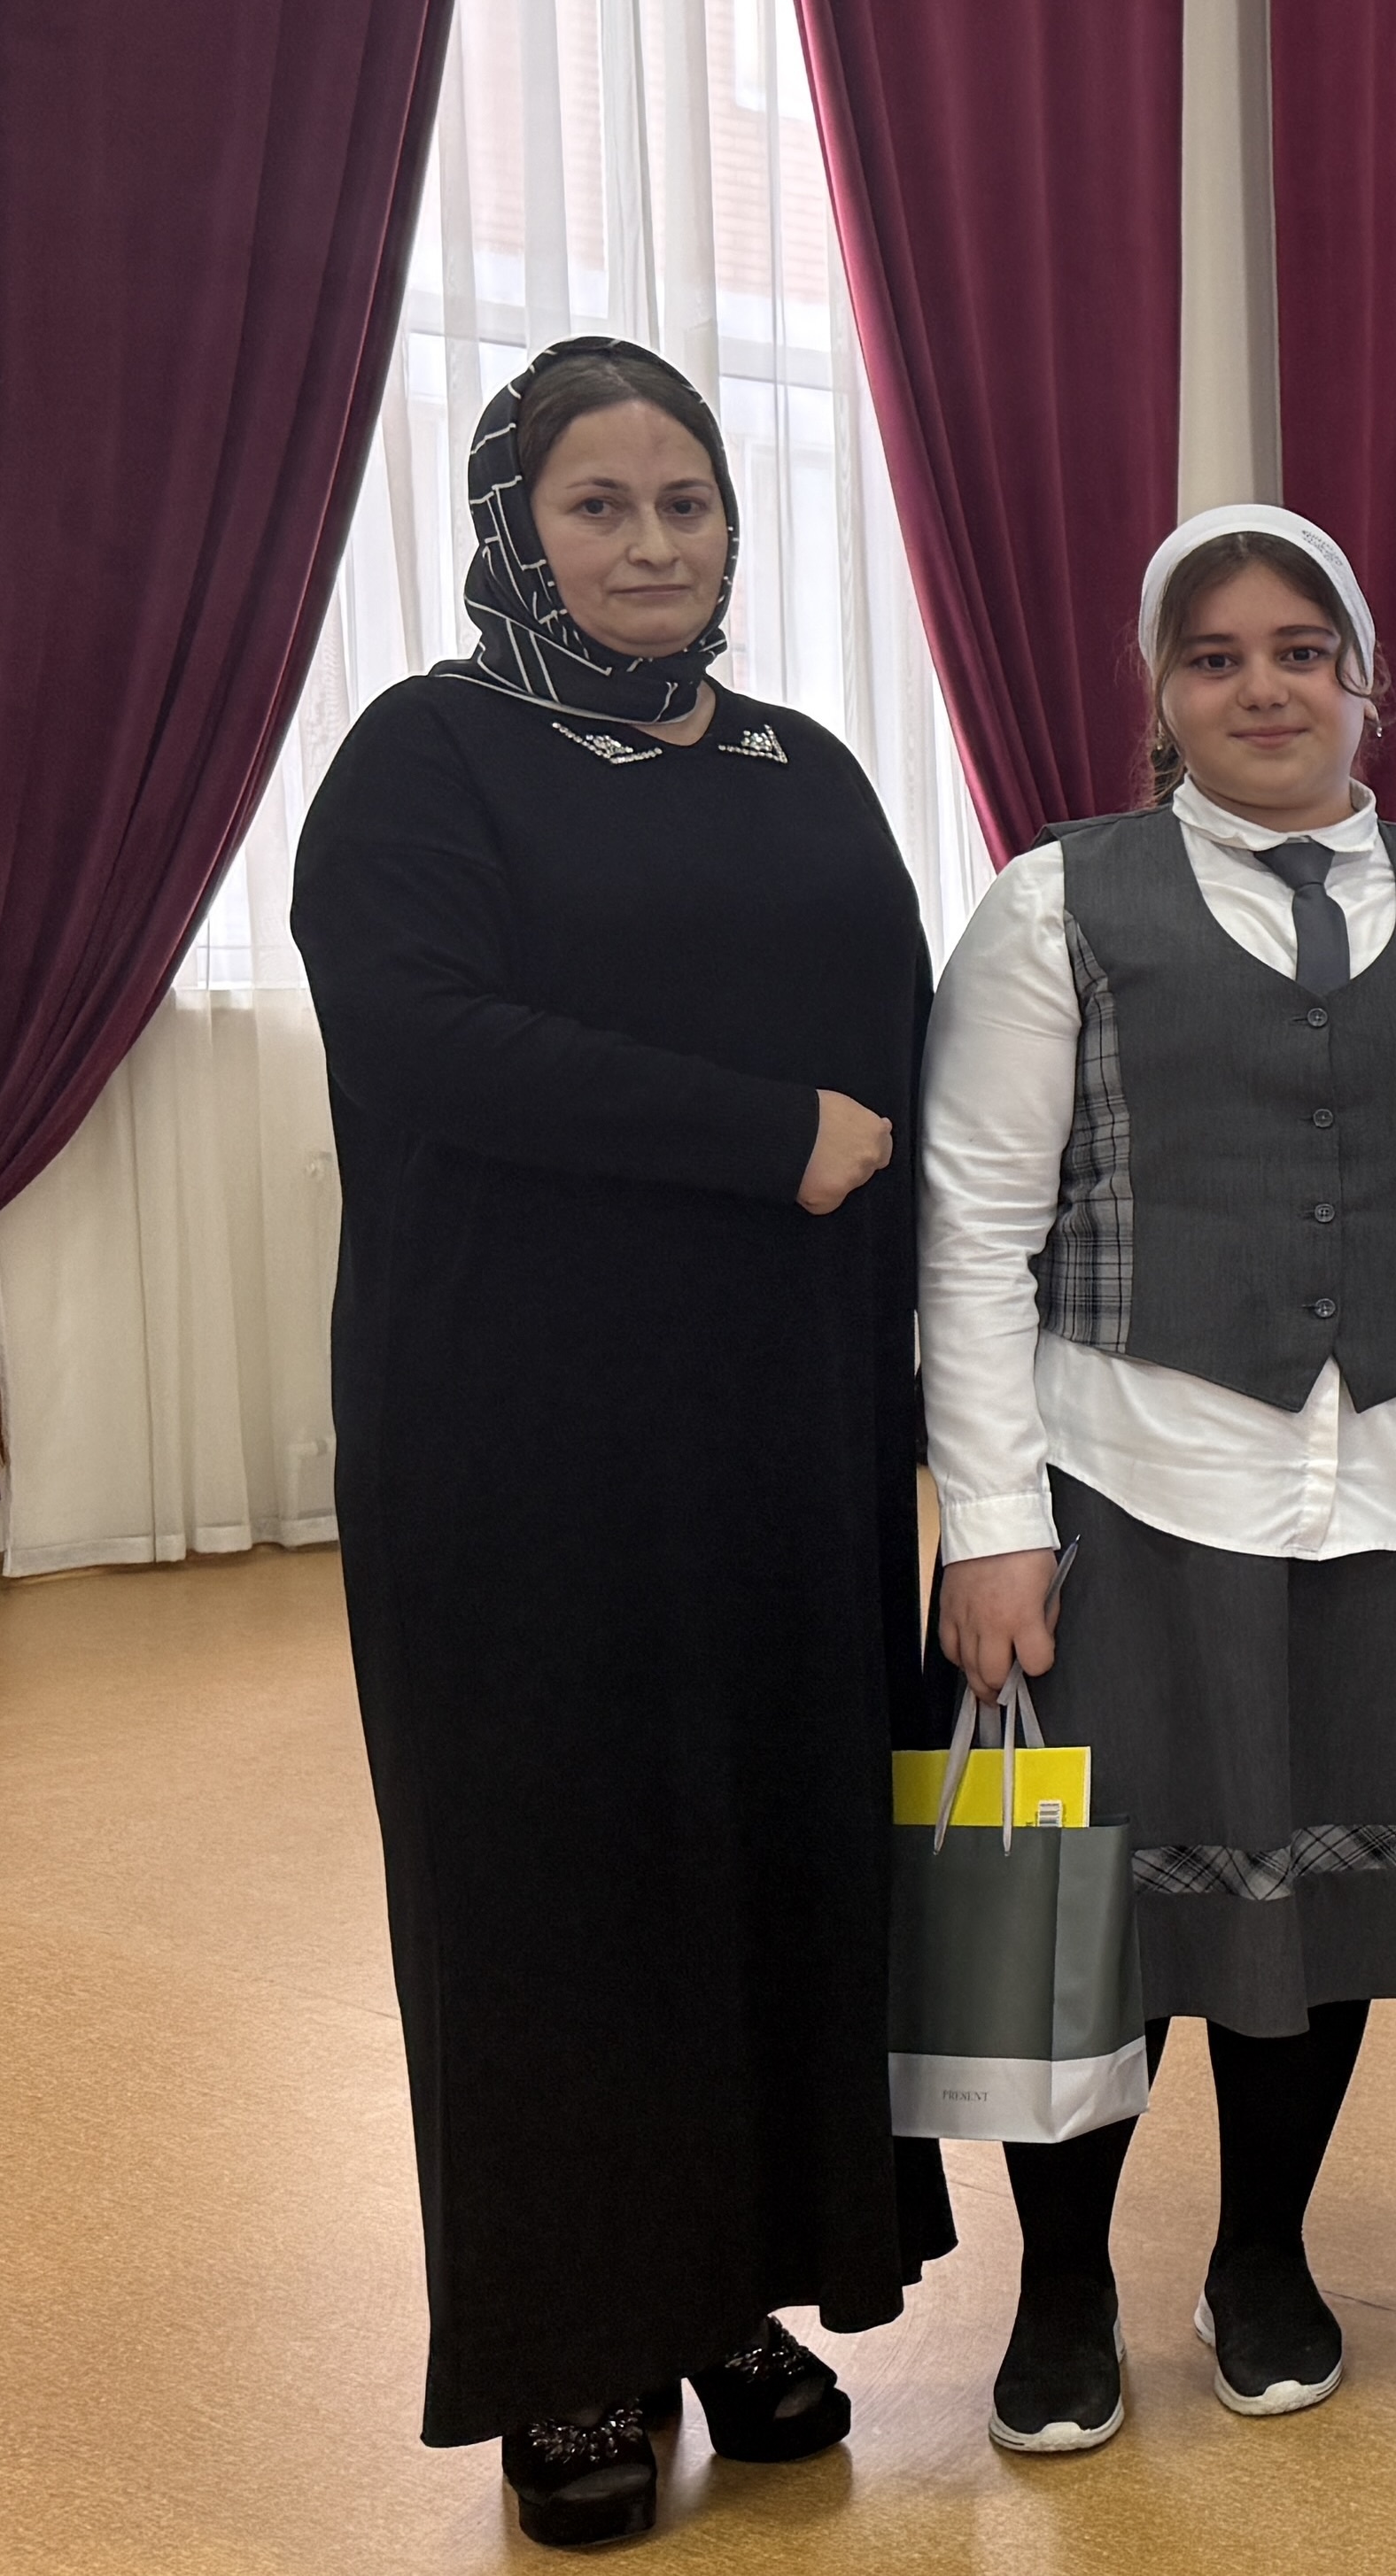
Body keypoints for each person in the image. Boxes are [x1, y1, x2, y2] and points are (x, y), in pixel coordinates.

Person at [293, 337, 946, 2547]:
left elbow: (907, 1076)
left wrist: (933, 1407)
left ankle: (731, 2291)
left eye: (687, 500)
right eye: (599, 502)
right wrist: (761, 1135)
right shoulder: (429, 753)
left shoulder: (799, 762)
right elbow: (423, 1037)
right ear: (516, 523)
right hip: (520, 1439)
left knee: (772, 1856)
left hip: (782, 1434)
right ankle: (568, 2344)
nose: (653, 542)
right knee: (555, 1878)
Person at [915, 506, 1396, 2453]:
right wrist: (991, 1520)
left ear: (1367, 681)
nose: (1263, 688)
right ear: (1160, 693)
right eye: (1215, 656)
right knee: (1090, 1921)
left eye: (1300, 651)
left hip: (1386, 1489)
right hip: (1129, 1481)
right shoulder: (1053, 904)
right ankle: (1063, 2282)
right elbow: (974, 1228)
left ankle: (1265, 2248)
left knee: (1323, 1908)